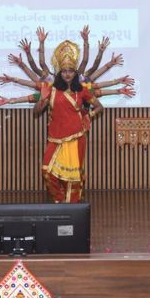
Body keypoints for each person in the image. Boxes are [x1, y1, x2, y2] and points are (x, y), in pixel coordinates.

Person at [33, 40, 104, 203]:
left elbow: (99, 107)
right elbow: (36, 112)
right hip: (55, 138)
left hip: (76, 137)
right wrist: (41, 100)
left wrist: (88, 115)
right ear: (60, 72)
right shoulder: (51, 90)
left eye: (70, 71)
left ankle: (72, 206)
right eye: (64, 71)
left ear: (75, 73)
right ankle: (59, 201)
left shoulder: (82, 91)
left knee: (72, 177)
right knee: (46, 171)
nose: (67, 74)